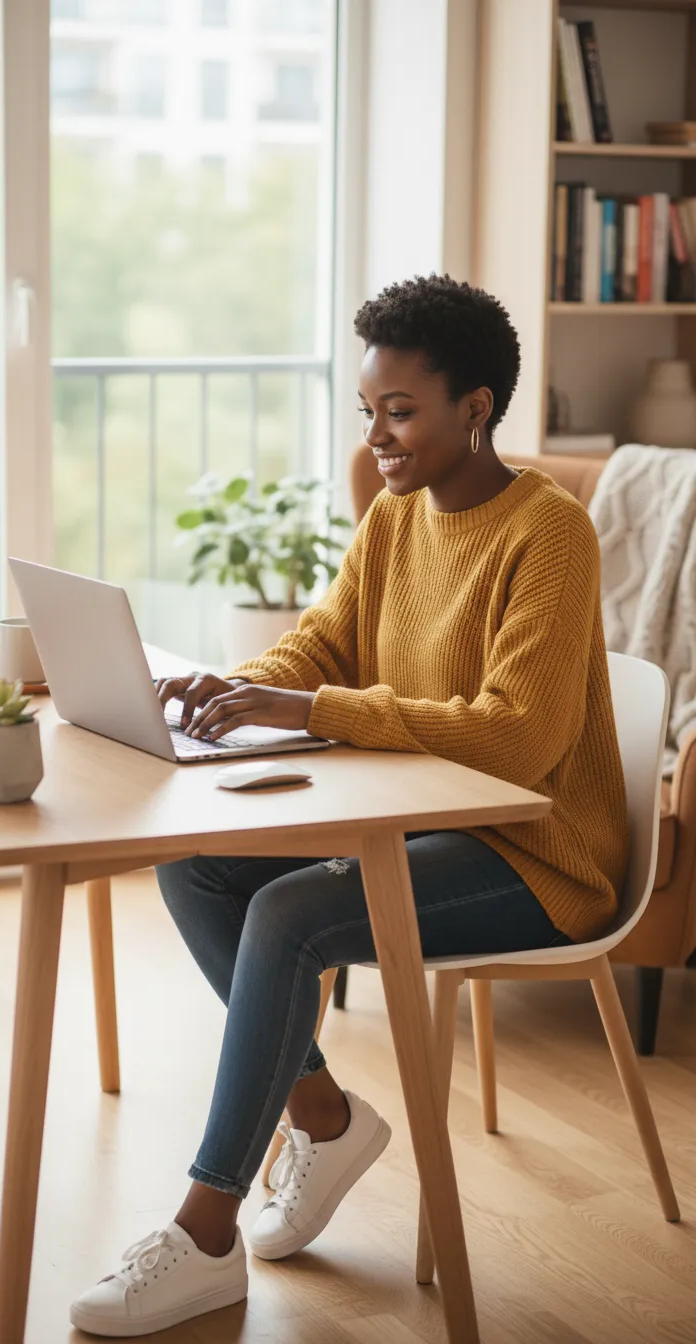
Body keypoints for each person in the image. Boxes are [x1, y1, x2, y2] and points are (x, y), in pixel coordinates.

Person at [70, 274, 629, 1337]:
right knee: (194, 865)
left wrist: (313, 702)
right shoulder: (398, 520)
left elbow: (519, 736)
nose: (377, 435)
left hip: (540, 855)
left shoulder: (550, 534)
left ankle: (204, 1233)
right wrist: (232, 693)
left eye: (401, 412)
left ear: (475, 408)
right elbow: (322, 642)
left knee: (289, 915)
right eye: (368, 412)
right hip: (429, 821)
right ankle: (321, 1119)